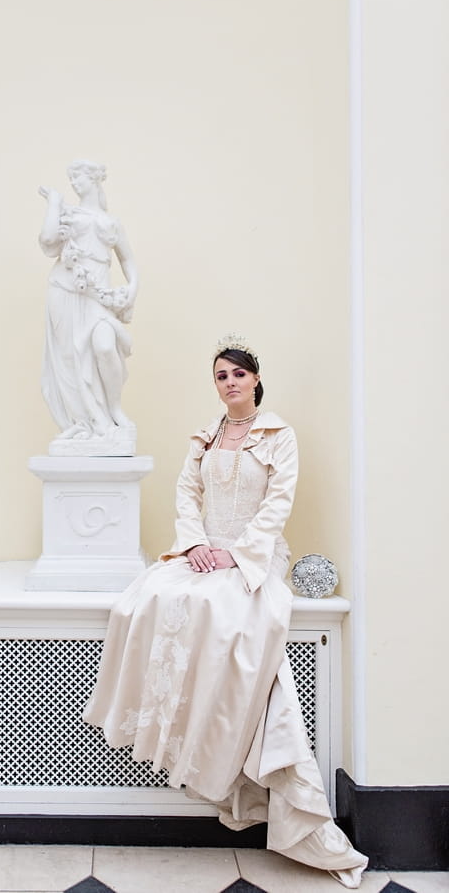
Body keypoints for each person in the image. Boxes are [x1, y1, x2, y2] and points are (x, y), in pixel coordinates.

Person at [83, 335, 368, 888]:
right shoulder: (205, 436)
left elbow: (277, 504)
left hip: (253, 557)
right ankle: (174, 730)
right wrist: (195, 545)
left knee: (226, 619)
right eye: (221, 376)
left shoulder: (278, 437)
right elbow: (186, 495)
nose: (230, 383)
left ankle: (233, 756)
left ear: (255, 380)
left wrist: (235, 555)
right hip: (202, 551)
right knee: (142, 601)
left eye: (238, 374)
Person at [39, 160, 138, 442]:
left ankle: (114, 410)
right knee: (69, 356)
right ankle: (85, 422)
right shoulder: (68, 213)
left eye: (77, 177)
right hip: (65, 289)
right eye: (70, 179)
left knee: (105, 347)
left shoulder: (111, 222)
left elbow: (128, 260)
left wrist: (132, 288)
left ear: (94, 179)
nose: (73, 183)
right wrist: (54, 204)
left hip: (98, 296)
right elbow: (47, 243)